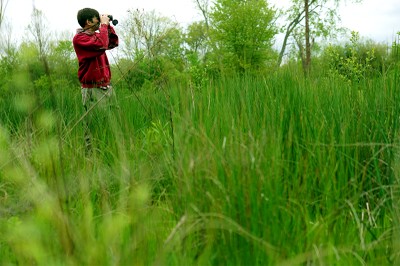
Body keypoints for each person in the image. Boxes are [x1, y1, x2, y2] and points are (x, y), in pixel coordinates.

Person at [73, 7, 119, 154]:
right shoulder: (80, 39)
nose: (99, 22)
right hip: (93, 89)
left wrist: (108, 26)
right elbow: (102, 45)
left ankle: (107, 152)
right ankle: (91, 157)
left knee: (111, 123)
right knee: (93, 125)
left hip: (106, 87)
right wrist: (104, 26)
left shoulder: (97, 36)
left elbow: (112, 43)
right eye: (97, 19)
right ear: (88, 21)